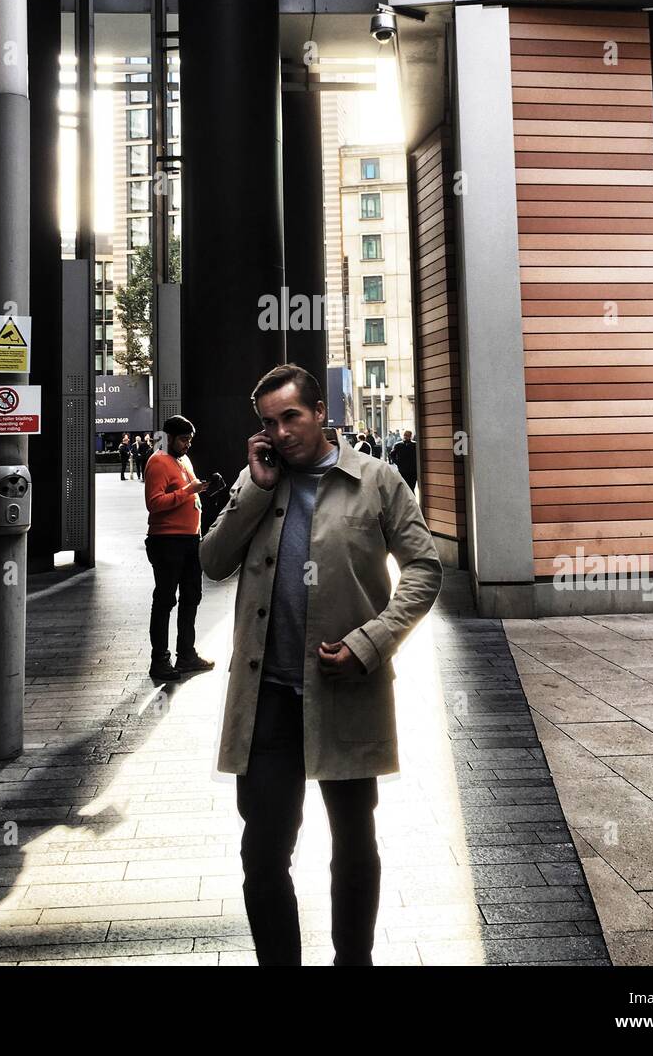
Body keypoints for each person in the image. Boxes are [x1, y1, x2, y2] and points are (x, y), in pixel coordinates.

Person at [200, 363, 443, 967]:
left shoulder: (377, 481)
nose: (280, 433)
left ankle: (351, 963)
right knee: (262, 852)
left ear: (320, 414)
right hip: (268, 700)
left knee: (354, 841)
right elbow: (212, 559)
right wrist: (254, 488)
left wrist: (372, 642)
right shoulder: (260, 481)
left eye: (291, 418)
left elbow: (424, 569)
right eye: (268, 423)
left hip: (345, 690)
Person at [144, 415, 216, 681]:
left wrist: (201, 488)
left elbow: (189, 490)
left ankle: (186, 654)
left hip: (189, 539)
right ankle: (160, 660)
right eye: (183, 439)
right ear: (170, 438)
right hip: (167, 541)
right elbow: (155, 503)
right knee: (165, 600)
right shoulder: (158, 461)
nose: (187, 445)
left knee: (191, 596)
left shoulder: (183, 460)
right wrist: (188, 490)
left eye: (190, 440)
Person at [391, 430, 418, 494]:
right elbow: (392, 455)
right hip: (411, 470)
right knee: (410, 487)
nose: (406, 437)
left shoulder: (398, 445)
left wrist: (398, 463)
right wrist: (398, 463)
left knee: (407, 487)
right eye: (406, 435)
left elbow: (392, 455)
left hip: (406, 470)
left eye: (407, 435)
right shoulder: (415, 445)